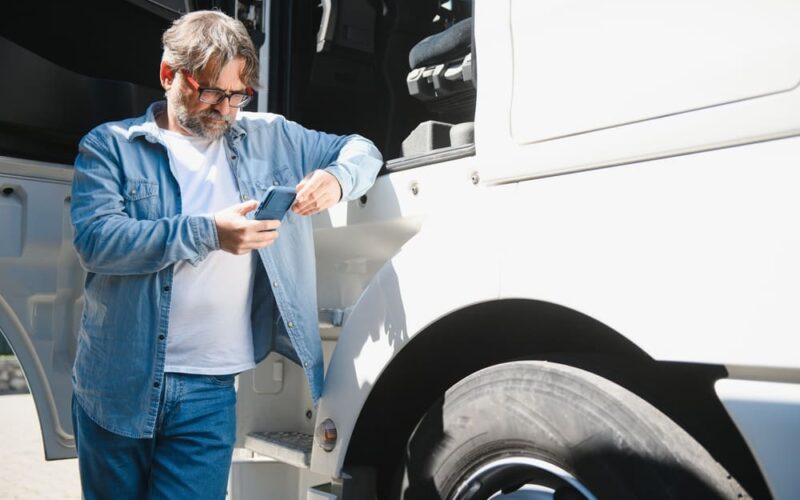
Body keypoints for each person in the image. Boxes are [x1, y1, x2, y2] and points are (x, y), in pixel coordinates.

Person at [69, 10, 382, 500]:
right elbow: (98, 241)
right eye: (212, 92)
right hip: (116, 386)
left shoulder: (269, 135)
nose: (227, 108)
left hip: (209, 391)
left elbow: (361, 149)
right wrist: (209, 233)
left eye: (239, 94)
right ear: (168, 75)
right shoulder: (109, 146)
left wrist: (337, 179)